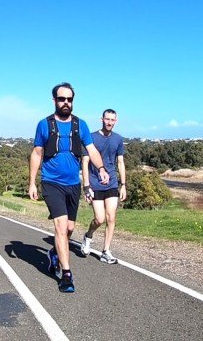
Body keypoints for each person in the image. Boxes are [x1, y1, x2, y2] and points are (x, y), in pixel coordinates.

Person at [29, 82, 109, 293]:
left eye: (69, 99)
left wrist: (100, 168)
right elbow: (37, 153)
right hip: (51, 182)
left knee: (70, 229)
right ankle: (66, 274)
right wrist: (31, 182)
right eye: (62, 99)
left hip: (73, 184)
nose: (66, 103)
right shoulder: (44, 124)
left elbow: (91, 149)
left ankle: (54, 254)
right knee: (61, 227)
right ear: (54, 100)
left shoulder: (79, 125)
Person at [80, 109, 127, 264]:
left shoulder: (118, 139)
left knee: (111, 217)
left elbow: (120, 162)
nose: (109, 122)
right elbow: (85, 162)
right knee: (99, 219)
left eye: (112, 120)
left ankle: (106, 251)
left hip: (112, 182)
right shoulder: (91, 137)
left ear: (116, 121)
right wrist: (86, 186)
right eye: (107, 119)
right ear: (101, 119)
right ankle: (88, 235)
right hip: (95, 183)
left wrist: (123, 185)